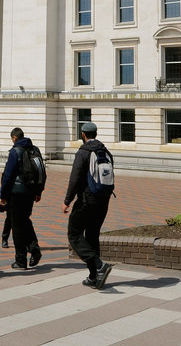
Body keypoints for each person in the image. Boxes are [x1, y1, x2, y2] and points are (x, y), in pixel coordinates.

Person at [63, 121, 115, 289]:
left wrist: (67, 201)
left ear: (83, 134)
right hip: (104, 201)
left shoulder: (83, 152)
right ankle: (94, 277)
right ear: (96, 133)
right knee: (92, 236)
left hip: (87, 200)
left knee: (74, 234)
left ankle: (99, 265)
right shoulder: (105, 151)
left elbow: (75, 178)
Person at [0, 127, 45, 270]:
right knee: (25, 221)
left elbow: (8, 175)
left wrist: (3, 195)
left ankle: (21, 260)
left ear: (14, 138)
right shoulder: (34, 149)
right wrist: (38, 192)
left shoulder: (15, 151)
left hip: (16, 194)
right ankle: (34, 249)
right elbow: (41, 171)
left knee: (17, 227)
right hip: (30, 193)